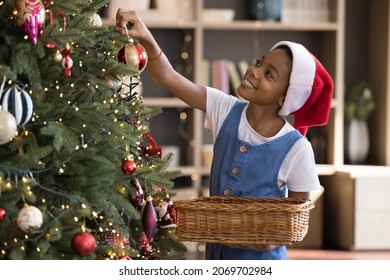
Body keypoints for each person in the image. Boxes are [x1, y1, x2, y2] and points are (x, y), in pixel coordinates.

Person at [115, 9, 333, 260]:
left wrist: (264, 240)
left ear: (285, 98)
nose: (254, 70)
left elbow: (295, 221)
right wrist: (146, 37)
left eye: (269, 74)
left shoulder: (297, 149)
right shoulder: (225, 108)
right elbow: (169, 77)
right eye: (260, 63)